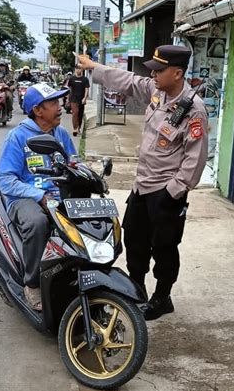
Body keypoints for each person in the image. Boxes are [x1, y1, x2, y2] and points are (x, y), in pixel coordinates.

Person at [77, 45, 208, 320]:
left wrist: (172, 192)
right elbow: (129, 81)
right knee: (134, 241)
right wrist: (94, 68)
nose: (153, 75)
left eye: (159, 71)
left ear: (177, 73)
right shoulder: (157, 91)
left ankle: (162, 298)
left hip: (165, 192)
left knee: (164, 246)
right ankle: (137, 292)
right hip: (142, 186)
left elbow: (195, 160)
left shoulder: (193, 110)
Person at [0, 82, 76, 311]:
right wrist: (38, 195)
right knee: (37, 222)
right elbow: (5, 179)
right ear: (38, 110)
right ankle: (31, 283)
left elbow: (74, 161)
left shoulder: (60, 133)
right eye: (53, 103)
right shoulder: (18, 136)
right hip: (24, 198)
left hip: (58, 194)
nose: (60, 107)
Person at [68, 65, 90, 136]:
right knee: (75, 113)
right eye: (77, 68)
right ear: (75, 69)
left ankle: (79, 128)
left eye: (80, 68)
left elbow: (86, 89)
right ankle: (75, 128)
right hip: (73, 99)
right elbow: (70, 89)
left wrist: (85, 98)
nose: (78, 70)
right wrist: (68, 99)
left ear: (82, 70)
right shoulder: (71, 79)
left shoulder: (85, 79)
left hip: (81, 100)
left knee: (80, 115)